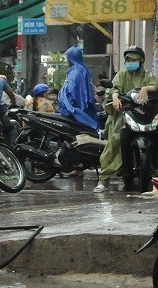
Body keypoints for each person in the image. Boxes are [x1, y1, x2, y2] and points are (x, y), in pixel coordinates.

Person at [94, 46, 158, 193]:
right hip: (125, 113)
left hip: (146, 113)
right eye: (128, 59)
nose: (130, 62)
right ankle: (104, 179)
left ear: (141, 60)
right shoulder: (121, 75)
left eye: (134, 59)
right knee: (116, 139)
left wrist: (146, 88)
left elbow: (156, 84)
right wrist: (115, 96)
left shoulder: (148, 75)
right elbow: (113, 88)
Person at [57, 45, 98, 131]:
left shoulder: (75, 71)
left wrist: (67, 103)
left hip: (76, 110)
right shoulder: (83, 70)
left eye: (68, 58)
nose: (67, 60)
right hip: (84, 107)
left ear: (72, 58)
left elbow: (70, 90)